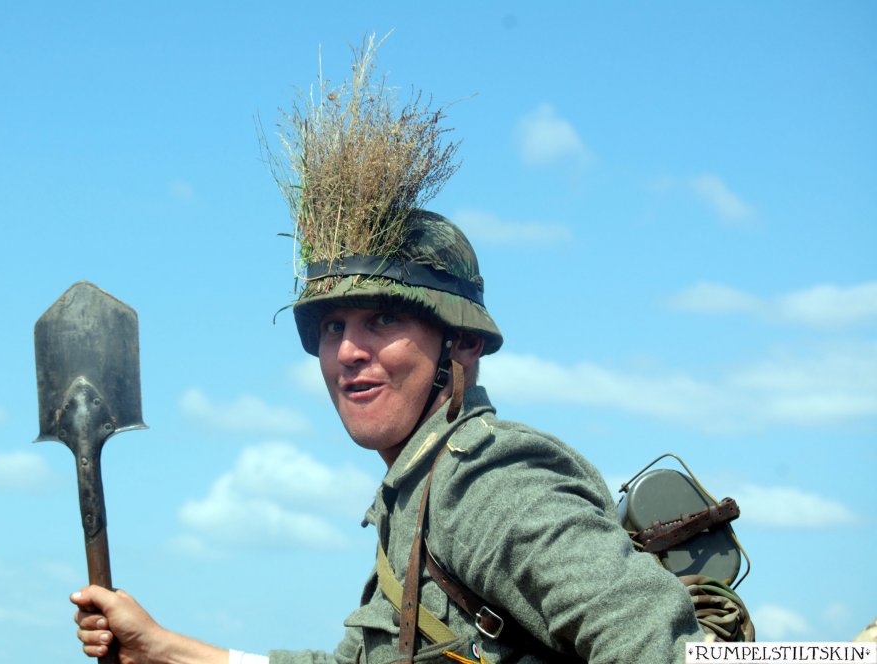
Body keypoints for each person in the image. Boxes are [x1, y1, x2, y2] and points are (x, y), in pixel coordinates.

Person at [73, 36, 716, 663]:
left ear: (462, 343)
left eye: (382, 319)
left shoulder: (487, 483)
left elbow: (667, 651)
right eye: (332, 327)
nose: (349, 350)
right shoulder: (415, 495)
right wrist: (161, 650)